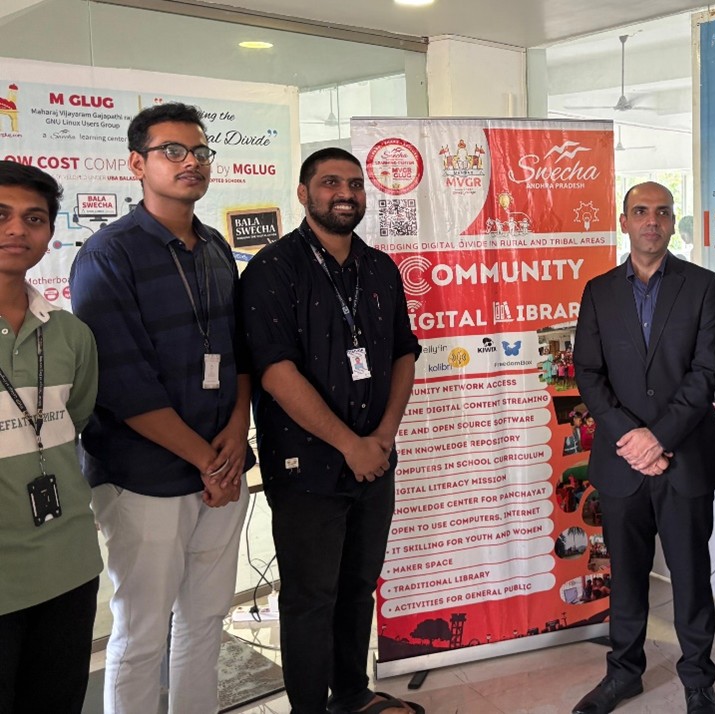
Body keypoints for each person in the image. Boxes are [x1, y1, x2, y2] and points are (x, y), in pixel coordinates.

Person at [69, 102, 253, 714]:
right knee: (143, 631)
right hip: (144, 475)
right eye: (172, 151)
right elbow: (125, 385)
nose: (190, 162)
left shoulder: (215, 247)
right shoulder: (108, 255)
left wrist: (236, 433)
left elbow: (240, 352)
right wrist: (209, 461)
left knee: (206, 620)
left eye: (200, 152)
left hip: (220, 467)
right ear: (136, 164)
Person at [240, 148, 422, 714]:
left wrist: (382, 438)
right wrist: (350, 445)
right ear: (303, 194)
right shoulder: (273, 269)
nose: (345, 193)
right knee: (310, 598)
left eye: (355, 184)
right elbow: (275, 372)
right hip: (307, 468)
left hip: (375, 460)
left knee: (358, 587)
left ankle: (351, 694)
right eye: (330, 183)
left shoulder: (380, 267)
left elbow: (404, 353)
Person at [572, 181, 715, 714]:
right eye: (640, 211)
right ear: (624, 221)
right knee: (626, 576)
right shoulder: (599, 291)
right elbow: (588, 373)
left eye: (662, 212)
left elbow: (706, 372)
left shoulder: (703, 285)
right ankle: (623, 674)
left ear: (672, 221)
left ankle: (698, 681)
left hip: (683, 459)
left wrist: (658, 438)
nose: (651, 221)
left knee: (690, 576)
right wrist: (633, 438)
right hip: (622, 462)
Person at [0, 162, 100, 714]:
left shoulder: (70, 334)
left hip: (68, 564)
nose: (17, 229)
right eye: (1, 215)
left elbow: (74, 421)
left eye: (33, 218)